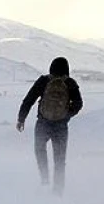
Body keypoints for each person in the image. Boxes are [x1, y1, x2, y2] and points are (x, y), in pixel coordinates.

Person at [17, 57, 83, 195]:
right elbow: (78, 104)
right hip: (61, 127)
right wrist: (66, 115)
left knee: (40, 150)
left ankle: (44, 180)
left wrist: (21, 119)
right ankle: (58, 191)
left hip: (43, 123)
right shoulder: (70, 83)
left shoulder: (43, 81)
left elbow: (29, 100)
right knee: (59, 160)